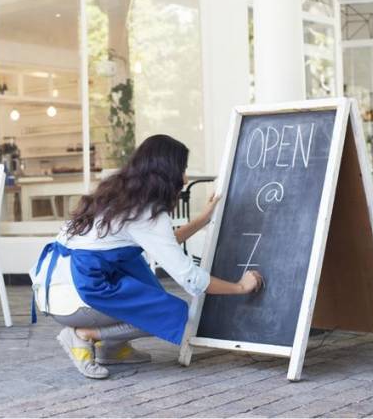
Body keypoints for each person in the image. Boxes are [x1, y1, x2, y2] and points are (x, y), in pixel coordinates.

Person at [30, 135, 263, 379]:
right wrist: (240, 287)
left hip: (53, 291)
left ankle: (112, 348)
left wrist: (203, 220)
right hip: (75, 298)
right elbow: (190, 279)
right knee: (171, 314)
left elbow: (164, 244)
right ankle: (83, 335)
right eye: (182, 170)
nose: (184, 179)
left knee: (144, 286)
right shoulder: (145, 213)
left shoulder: (117, 195)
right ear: (167, 172)